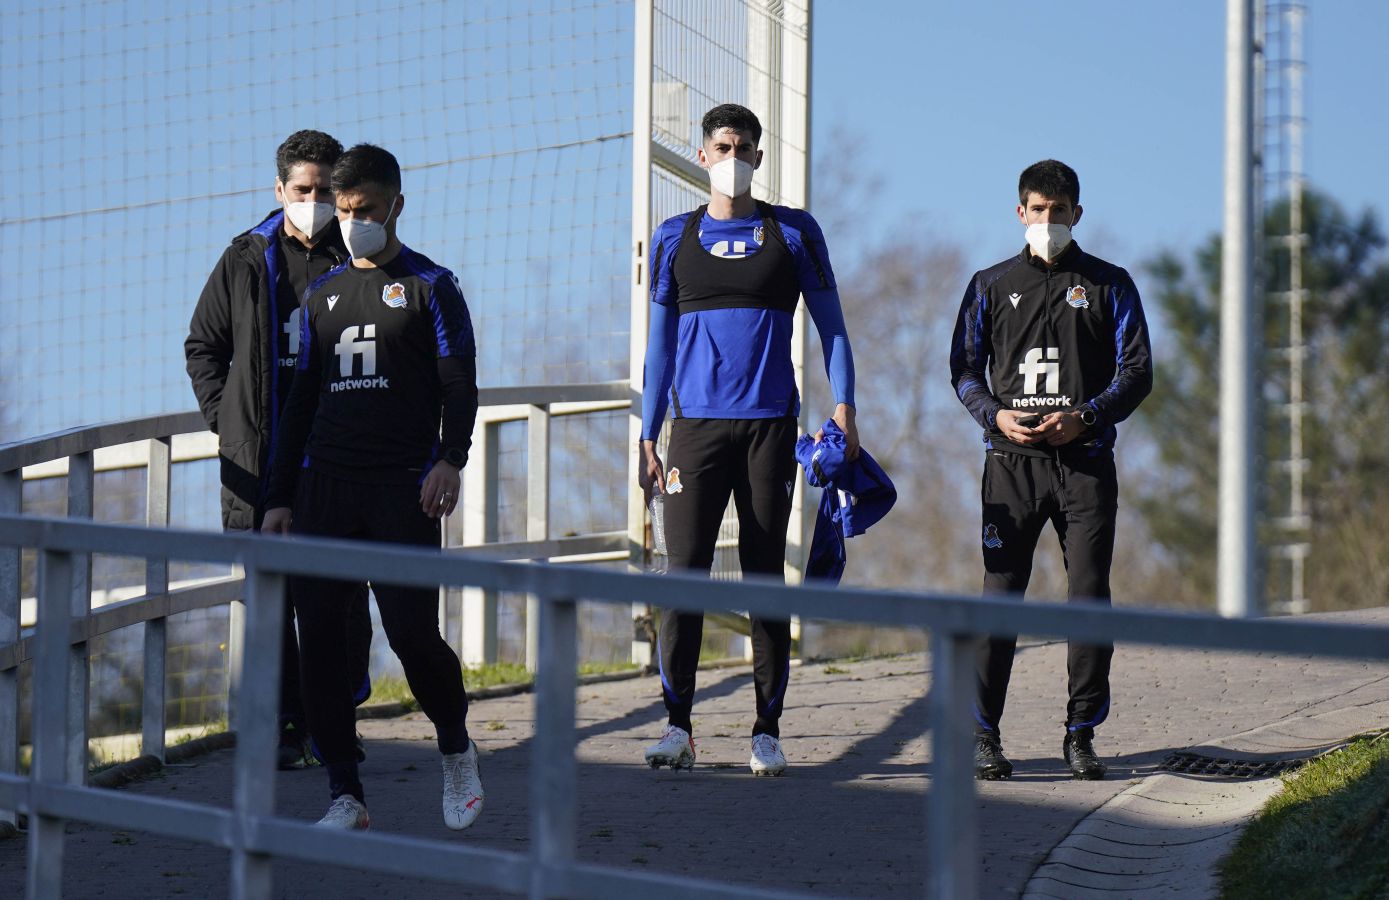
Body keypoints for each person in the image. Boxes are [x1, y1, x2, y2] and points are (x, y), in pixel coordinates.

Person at [261, 143, 483, 831]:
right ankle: (344, 794)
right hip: (324, 489)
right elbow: (299, 402)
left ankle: (455, 749)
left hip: (401, 490)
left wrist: (450, 458)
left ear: (397, 206)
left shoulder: (431, 286)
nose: (354, 222)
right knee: (320, 645)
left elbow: (458, 383)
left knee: (414, 636)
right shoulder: (321, 296)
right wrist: (277, 497)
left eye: (367, 210)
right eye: (345, 210)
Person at [638, 103, 858, 777]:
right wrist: (647, 435)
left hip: (769, 430)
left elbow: (834, 330)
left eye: (744, 147)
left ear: (758, 158)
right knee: (684, 580)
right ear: (702, 156)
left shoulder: (792, 232)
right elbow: (659, 348)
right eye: (722, 145)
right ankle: (677, 727)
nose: (733, 155)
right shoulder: (675, 236)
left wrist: (844, 408)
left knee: (764, 578)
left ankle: (766, 731)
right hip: (694, 434)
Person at [949, 159, 1153, 781]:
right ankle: (984, 736)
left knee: (1088, 597)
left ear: (1077, 215)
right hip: (1012, 465)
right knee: (999, 599)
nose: (1048, 221)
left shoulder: (1110, 283)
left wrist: (1087, 418)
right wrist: (994, 417)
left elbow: (1137, 372)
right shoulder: (988, 283)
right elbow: (962, 369)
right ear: (1020, 212)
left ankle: (1081, 733)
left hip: (1085, 467)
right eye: (1037, 210)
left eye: (1059, 212)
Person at [184, 130, 373, 770]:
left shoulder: (363, 258)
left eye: (325, 191)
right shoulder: (244, 258)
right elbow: (203, 347)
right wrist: (227, 420)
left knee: (341, 599)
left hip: (337, 458)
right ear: (279, 190)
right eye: (303, 190)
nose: (314, 201)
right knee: (273, 603)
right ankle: (288, 729)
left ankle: (336, 722)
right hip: (260, 461)